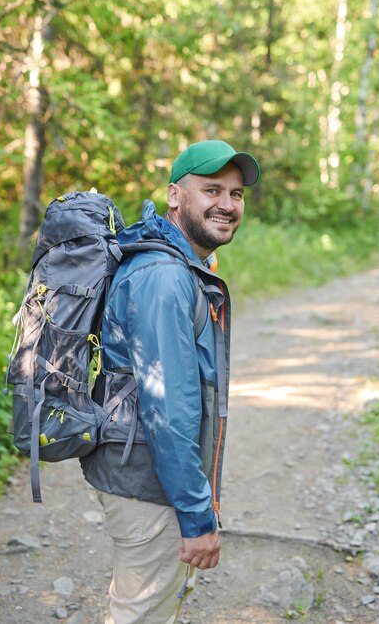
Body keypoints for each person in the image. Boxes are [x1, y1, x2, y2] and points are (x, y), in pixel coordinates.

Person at [80, 139, 260, 623]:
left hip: (141, 472)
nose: (226, 204)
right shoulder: (163, 276)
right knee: (141, 613)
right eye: (212, 190)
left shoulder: (178, 264)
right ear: (175, 196)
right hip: (148, 483)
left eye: (236, 194)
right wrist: (198, 516)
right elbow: (170, 411)